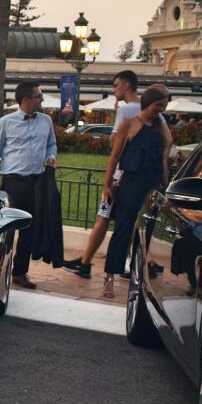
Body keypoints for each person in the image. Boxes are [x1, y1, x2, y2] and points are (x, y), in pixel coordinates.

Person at [65, 70, 146, 278]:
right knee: (127, 222)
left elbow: (113, 142)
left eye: (116, 85)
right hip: (137, 176)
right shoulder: (147, 110)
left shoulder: (126, 110)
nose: (114, 90)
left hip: (118, 175)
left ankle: (85, 263)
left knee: (102, 217)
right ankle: (129, 263)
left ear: (126, 86)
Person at [98, 87, 172, 298]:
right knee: (123, 229)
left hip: (153, 184)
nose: (161, 109)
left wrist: (165, 183)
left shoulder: (160, 126)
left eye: (163, 105)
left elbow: (166, 151)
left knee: (145, 232)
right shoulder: (129, 124)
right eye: (159, 104)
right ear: (149, 102)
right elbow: (114, 157)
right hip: (131, 182)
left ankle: (138, 275)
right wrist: (107, 185)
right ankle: (110, 275)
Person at [0, 81, 58, 289]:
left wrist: (51, 156)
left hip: (38, 183)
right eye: (38, 96)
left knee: (30, 230)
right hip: (13, 184)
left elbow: (52, 144)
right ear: (25, 99)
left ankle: (20, 272)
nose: (42, 99)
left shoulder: (46, 121)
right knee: (6, 231)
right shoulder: (5, 122)